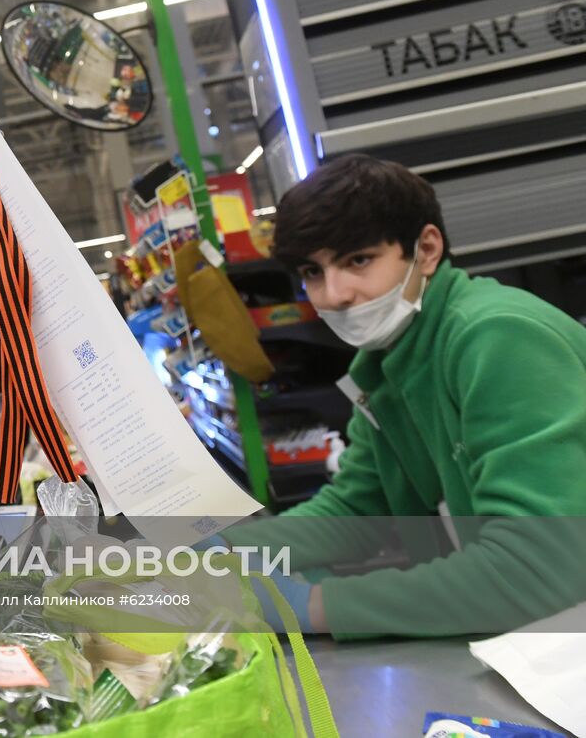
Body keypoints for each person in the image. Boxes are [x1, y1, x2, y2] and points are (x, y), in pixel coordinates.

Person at [222, 154, 586, 637]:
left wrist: (315, 606)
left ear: (427, 249)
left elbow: (536, 567)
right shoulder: (383, 366)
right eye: (313, 272)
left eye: (358, 260)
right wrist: (224, 552)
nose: (334, 294)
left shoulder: (497, 337)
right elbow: (356, 510)